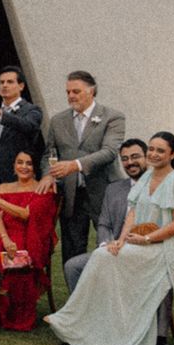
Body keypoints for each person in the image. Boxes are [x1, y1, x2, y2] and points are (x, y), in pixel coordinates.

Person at [48, 132, 174, 345]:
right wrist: (120, 240)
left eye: (160, 150)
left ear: (172, 154)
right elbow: (133, 213)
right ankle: (80, 322)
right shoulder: (146, 179)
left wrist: (148, 239)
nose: (154, 154)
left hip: (165, 246)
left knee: (111, 262)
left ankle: (160, 341)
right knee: (102, 256)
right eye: (152, 150)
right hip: (138, 244)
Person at [0, 147, 59, 331]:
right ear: (13, 166)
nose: (24, 167)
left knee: (6, 257)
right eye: (20, 162)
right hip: (5, 233)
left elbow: (25, 215)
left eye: (29, 163)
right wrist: (5, 238)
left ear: (35, 167)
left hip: (29, 237)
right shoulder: (3, 187)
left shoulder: (42, 188)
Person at [38, 70, 128, 265]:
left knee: (110, 246)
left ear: (91, 91)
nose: (71, 96)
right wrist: (47, 175)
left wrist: (75, 165)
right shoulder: (57, 120)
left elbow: (110, 151)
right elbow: (49, 154)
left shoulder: (113, 117)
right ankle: (77, 294)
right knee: (72, 250)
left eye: (76, 91)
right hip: (72, 194)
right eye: (68, 92)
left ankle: (108, 293)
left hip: (105, 191)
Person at [63, 139, 146, 293]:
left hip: (142, 250)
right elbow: (104, 223)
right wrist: (105, 244)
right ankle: (84, 313)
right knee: (73, 266)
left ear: (146, 157)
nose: (130, 162)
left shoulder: (157, 187)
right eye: (125, 159)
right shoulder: (114, 189)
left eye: (135, 157)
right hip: (113, 250)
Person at [0, 65, 43, 190]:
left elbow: (27, 126)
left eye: (10, 82)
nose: (4, 85)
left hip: (19, 180)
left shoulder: (32, 110)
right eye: (1, 82)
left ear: (21, 86)